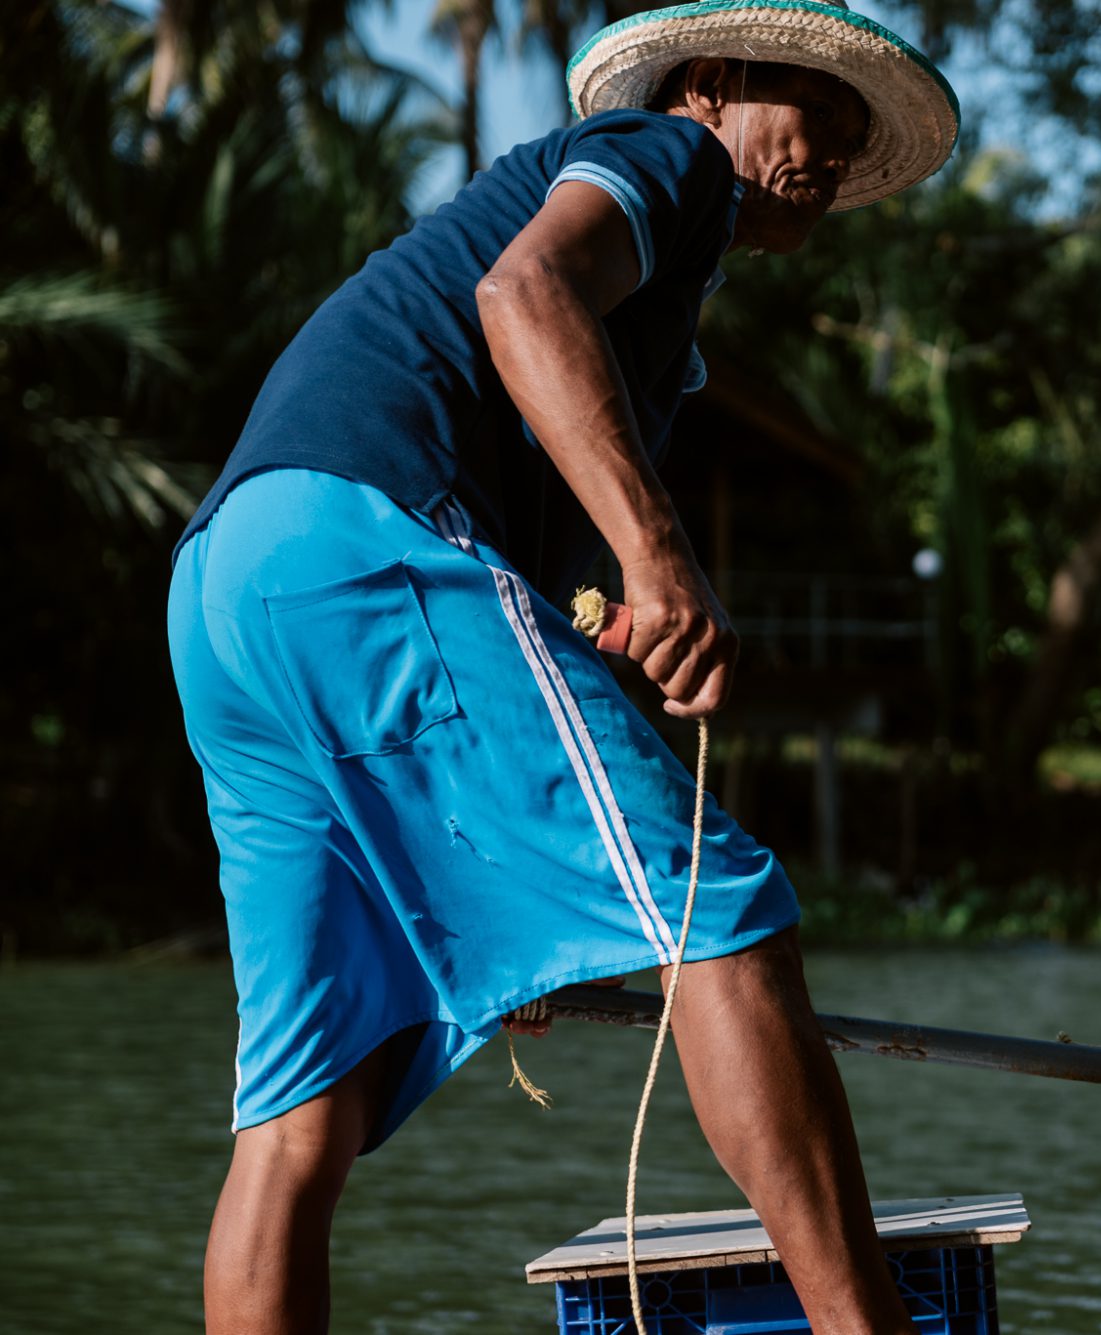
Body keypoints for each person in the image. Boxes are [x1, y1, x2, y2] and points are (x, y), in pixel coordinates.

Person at [163, 2, 959, 1330]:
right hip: (365, 539)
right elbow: (519, 295)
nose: (828, 150)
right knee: (722, 904)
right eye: (812, 111)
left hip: (233, 584)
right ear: (710, 82)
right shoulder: (667, 157)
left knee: (305, 1107)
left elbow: (528, 570)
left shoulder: (656, 315)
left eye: (852, 133)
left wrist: (516, 903)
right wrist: (663, 556)